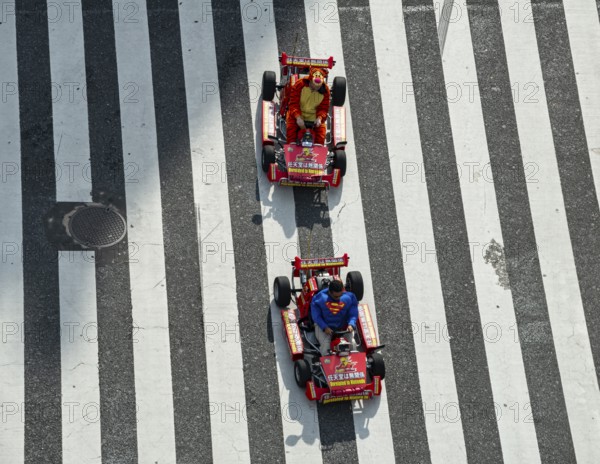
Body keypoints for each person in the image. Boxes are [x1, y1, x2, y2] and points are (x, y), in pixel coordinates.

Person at [310, 279, 358, 356]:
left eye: (340, 295)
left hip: (343, 327)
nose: (338, 298)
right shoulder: (319, 299)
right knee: (325, 346)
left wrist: (351, 324)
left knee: (352, 344)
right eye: (336, 296)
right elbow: (316, 316)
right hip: (325, 326)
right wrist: (324, 327)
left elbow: (353, 313)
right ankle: (326, 364)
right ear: (330, 292)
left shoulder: (350, 297)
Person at [286, 66, 330, 145]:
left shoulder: (325, 91)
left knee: (321, 131)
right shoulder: (299, 84)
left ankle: (318, 149)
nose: (316, 89)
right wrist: (298, 117)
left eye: (318, 87)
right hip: (297, 113)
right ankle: (291, 145)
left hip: (314, 116)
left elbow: (324, 108)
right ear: (310, 80)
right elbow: (293, 104)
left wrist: (320, 118)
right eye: (314, 86)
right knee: (291, 128)